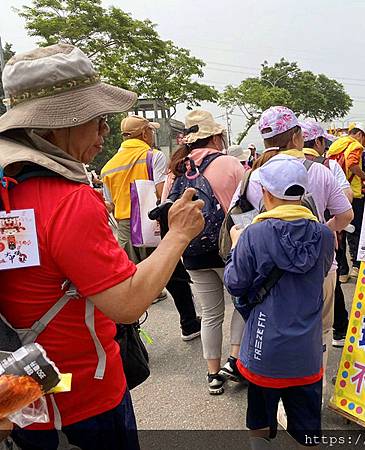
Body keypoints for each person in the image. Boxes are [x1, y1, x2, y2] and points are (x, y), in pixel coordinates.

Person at [0, 43, 204, 449]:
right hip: (80, 399)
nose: (104, 132)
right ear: (60, 123)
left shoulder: (10, 184)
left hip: (16, 394)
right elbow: (126, 303)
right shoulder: (68, 199)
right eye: (97, 120)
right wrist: (179, 234)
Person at [231, 107, 352, 387]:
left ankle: (272, 394)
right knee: (319, 333)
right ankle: (311, 392)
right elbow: (346, 216)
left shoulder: (254, 174)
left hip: (266, 271)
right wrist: (324, 230)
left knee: (269, 328)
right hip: (319, 269)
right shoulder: (321, 171)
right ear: (298, 136)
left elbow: (239, 218)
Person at [224, 155, 335, 449]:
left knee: (259, 421)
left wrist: (236, 245)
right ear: (303, 194)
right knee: (307, 428)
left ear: (267, 193)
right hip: (307, 352)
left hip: (265, 348)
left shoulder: (254, 234)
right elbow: (321, 271)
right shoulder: (325, 235)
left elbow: (235, 282)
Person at [162, 110, 246, 395]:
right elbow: (249, 205)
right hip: (228, 249)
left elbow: (168, 212)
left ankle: (213, 375)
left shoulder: (176, 170)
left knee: (210, 313)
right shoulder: (229, 163)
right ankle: (234, 361)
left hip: (193, 253)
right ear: (215, 136)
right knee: (242, 303)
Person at [300, 120, 352, 348]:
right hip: (321, 241)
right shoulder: (328, 166)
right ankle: (338, 332)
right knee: (330, 285)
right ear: (319, 141)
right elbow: (347, 198)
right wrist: (328, 226)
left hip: (281, 246)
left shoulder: (270, 165)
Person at [101, 115, 165, 262]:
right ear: (144, 133)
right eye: (151, 131)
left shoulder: (108, 167)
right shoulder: (154, 156)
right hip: (152, 223)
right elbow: (162, 193)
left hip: (125, 227)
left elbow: (110, 204)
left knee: (131, 276)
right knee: (158, 274)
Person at [327, 123, 365, 279]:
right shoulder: (356, 146)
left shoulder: (335, 145)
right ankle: (357, 265)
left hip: (334, 195)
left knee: (338, 232)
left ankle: (342, 270)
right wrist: (364, 177)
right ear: (361, 135)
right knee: (356, 230)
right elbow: (352, 164)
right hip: (353, 195)